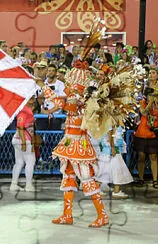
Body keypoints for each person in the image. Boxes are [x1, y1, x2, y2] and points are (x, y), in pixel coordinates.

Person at [37, 59, 109, 228]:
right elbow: (59, 101)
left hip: (80, 145)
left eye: (72, 85)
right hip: (70, 144)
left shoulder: (83, 104)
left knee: (86, 179)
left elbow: (61, 102)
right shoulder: (75, 101)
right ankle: (67, 215)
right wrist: (43, 85)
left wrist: (44, 86)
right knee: (68, 177)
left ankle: (103, 215)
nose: (69, 88)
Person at [95, 127, 133, 198]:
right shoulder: (111, 121)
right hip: (111, 151)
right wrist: (113, 148)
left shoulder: (113, 121)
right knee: (116, 169)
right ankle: (116, 191)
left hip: (110, 151)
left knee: (106, 170)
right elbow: (110, 135)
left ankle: (100, 189)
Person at [10, 97, 36, 192]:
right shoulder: (24, 110)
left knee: (19, 162)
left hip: (17, 139)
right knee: (30, 162)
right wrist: (24, 142)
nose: (33, 101)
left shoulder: (24, 109)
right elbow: (20, 127)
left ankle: (14, 184)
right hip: (24, 140)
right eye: (31, 99)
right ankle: (28, 185)